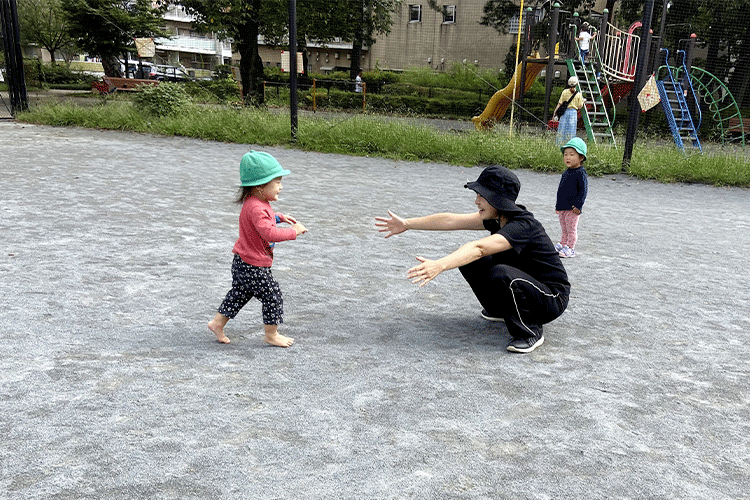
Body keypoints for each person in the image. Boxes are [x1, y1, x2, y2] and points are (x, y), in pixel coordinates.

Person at [375, 166, 570, 353]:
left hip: (552, 298)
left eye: (481, 195)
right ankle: (499, 310)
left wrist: (440, 265)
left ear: (497, 199)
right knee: (470, 260)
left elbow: (479, 248)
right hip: (529, 284)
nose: (476, 201)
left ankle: (530, 331)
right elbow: (451, 220)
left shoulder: (523, 225)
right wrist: (407, 224)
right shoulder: (498, 218)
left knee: (497, 270)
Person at [208, 151, 307, 347]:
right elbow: (269, 233)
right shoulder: (256, 207)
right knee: (272, 295)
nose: (281, 186)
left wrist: (278, 217)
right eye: (277, 182)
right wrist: (293, 231)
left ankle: (217, 323)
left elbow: (262, 220)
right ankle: (271, 335)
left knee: (240, 293)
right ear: (260, 186)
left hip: (243, 262)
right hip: (253, 265)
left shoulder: (257, 203)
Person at [555, 137, 589, 259]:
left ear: (581, 158)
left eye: (572, 155)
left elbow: (583, 191)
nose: (567, 157)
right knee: (564, 227)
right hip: (563, 207)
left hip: (572, 208)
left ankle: (571, 248)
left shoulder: (580, 173)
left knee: (571, 229)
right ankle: (563, 243)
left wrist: (578, 206)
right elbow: (561, 190)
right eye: (565, 155)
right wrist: (558, 206)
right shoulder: (566, 172)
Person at [553, 76, 584, 146]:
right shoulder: (578, 94)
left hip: (564, 112)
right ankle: (570, 145)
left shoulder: (564, 92)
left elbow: (559, 103)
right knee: (571, 130)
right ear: (576, 84)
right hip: (573, 113)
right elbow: (580, 106)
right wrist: (583, 101)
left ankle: (559, 144)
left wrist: (555, 113)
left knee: (562, 128)